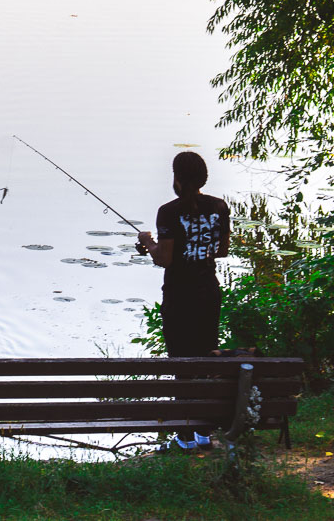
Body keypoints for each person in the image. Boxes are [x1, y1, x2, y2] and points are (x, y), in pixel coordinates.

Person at [136, 151, 230, 450]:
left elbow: (165, 260)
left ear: (176, 178)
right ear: (203, 178)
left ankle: (186, 437)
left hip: (179, 295)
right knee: (204, 359)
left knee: (181, 362)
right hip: (208, 292)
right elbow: (222, 250)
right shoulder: (219, 206)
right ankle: (203, 432)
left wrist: (147, 243)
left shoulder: (169, 211)